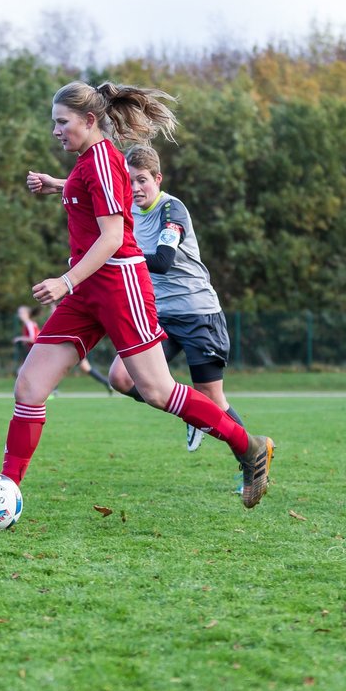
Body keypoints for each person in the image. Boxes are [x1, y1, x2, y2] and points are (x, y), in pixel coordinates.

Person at [0, 81, 274, 509]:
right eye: (54, 123)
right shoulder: (91, 160)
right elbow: (96, 188)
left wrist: (65, 282)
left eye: (62, 122)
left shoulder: (101, 161)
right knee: (28, 386)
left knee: (158, 391)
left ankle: (248, 446)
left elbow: (113, 236)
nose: (55, 131)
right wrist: (57, 186)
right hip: (88, 291)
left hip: (119, 286)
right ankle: (4, 492)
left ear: (89, 120)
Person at [102, 144, 243, 457]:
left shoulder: (171, 210)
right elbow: (95, 189)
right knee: (120, 377)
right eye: (129, 181)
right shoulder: (126, 209)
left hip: (197, 314)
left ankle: (252, 456)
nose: (135, 187)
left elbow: (164, 260)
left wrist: (115, 254)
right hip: (160, 316)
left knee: (214, 401)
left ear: (157, 179)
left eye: (142, 180)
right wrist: (58, 185)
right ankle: (191, 411)